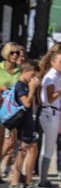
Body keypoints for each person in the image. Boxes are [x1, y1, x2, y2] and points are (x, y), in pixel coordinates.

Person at [6, 60, 44, 188]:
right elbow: (26, 104)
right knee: (22, 151)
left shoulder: (26, 85)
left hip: (27, 123)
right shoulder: (21, 86)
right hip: (21, 124)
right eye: (32, 74)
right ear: (25, 71)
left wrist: (35, 88)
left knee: (32, 149)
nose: (34, 78)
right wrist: (32, 88)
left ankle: (28, 181)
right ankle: (15, 183)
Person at [39, 43, 61, 179]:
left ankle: (44, 178)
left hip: (54, 111)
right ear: (53, 62)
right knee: (47, 147)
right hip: (49, 112)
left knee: (49, 148)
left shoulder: (56, 75)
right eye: (60, 62)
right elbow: (50, 97)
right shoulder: (51, 77)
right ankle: (42, 179)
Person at [0, 42, 24, 180]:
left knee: (10, 143)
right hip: (0, 107)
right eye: (12, 53)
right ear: (6, 54)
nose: (15, 55)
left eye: (17, 53)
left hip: (11, 111)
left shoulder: (20, 71)